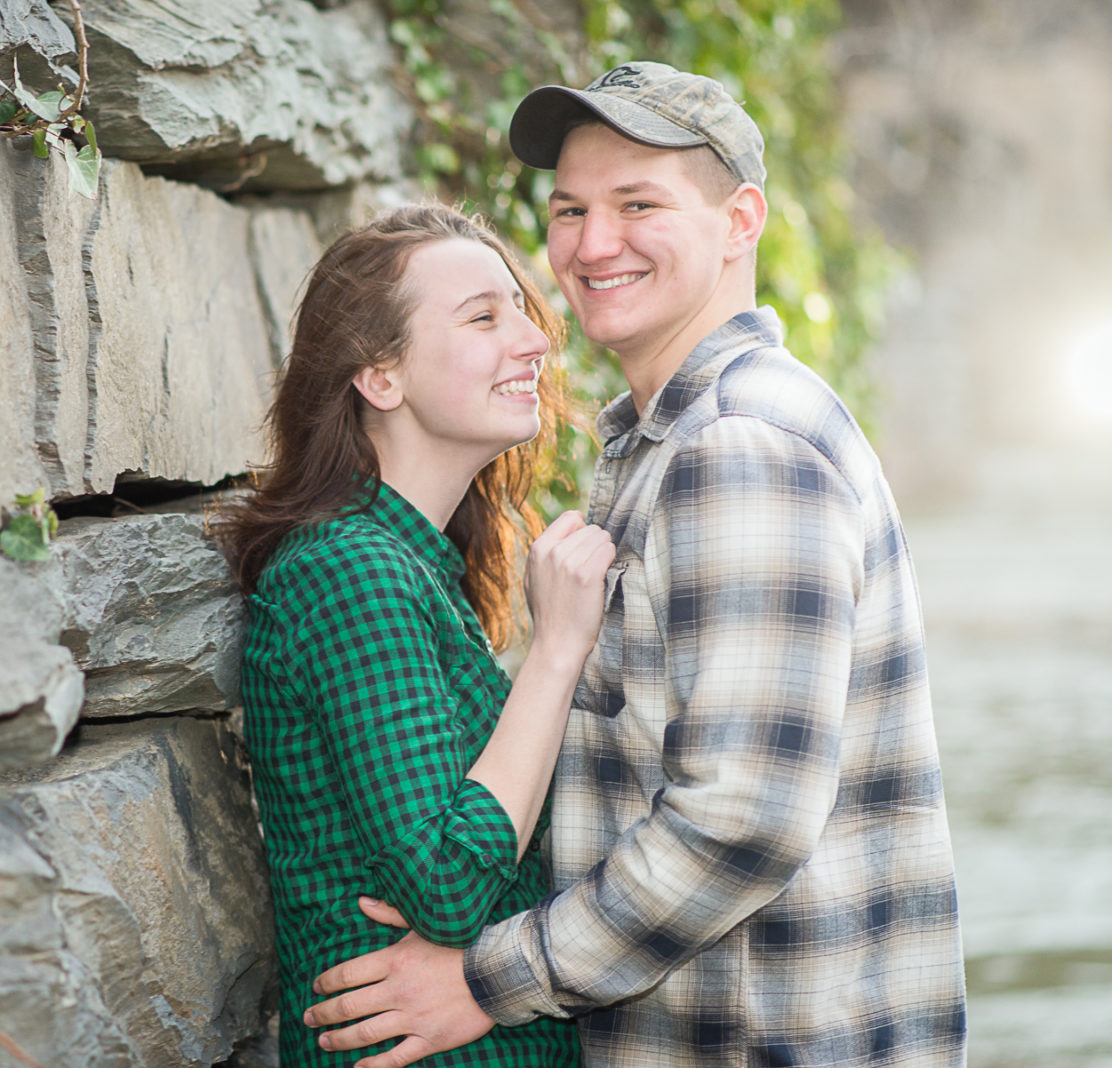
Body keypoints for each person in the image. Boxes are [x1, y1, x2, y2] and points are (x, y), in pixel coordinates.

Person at [303, 62, 968, 1068]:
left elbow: (739, 820)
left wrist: (491, 980)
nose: (590, 243)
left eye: (637, 204)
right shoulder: (667, 443)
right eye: (569, 209)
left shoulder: (739, 449)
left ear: (739, 221)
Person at [216, 203, 616, 1066]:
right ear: (380, 376)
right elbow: (446, 883)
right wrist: (557, 651)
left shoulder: (413, 564)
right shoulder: (350, 571)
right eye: (483, 316)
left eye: (520, 308)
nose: (531, 339)